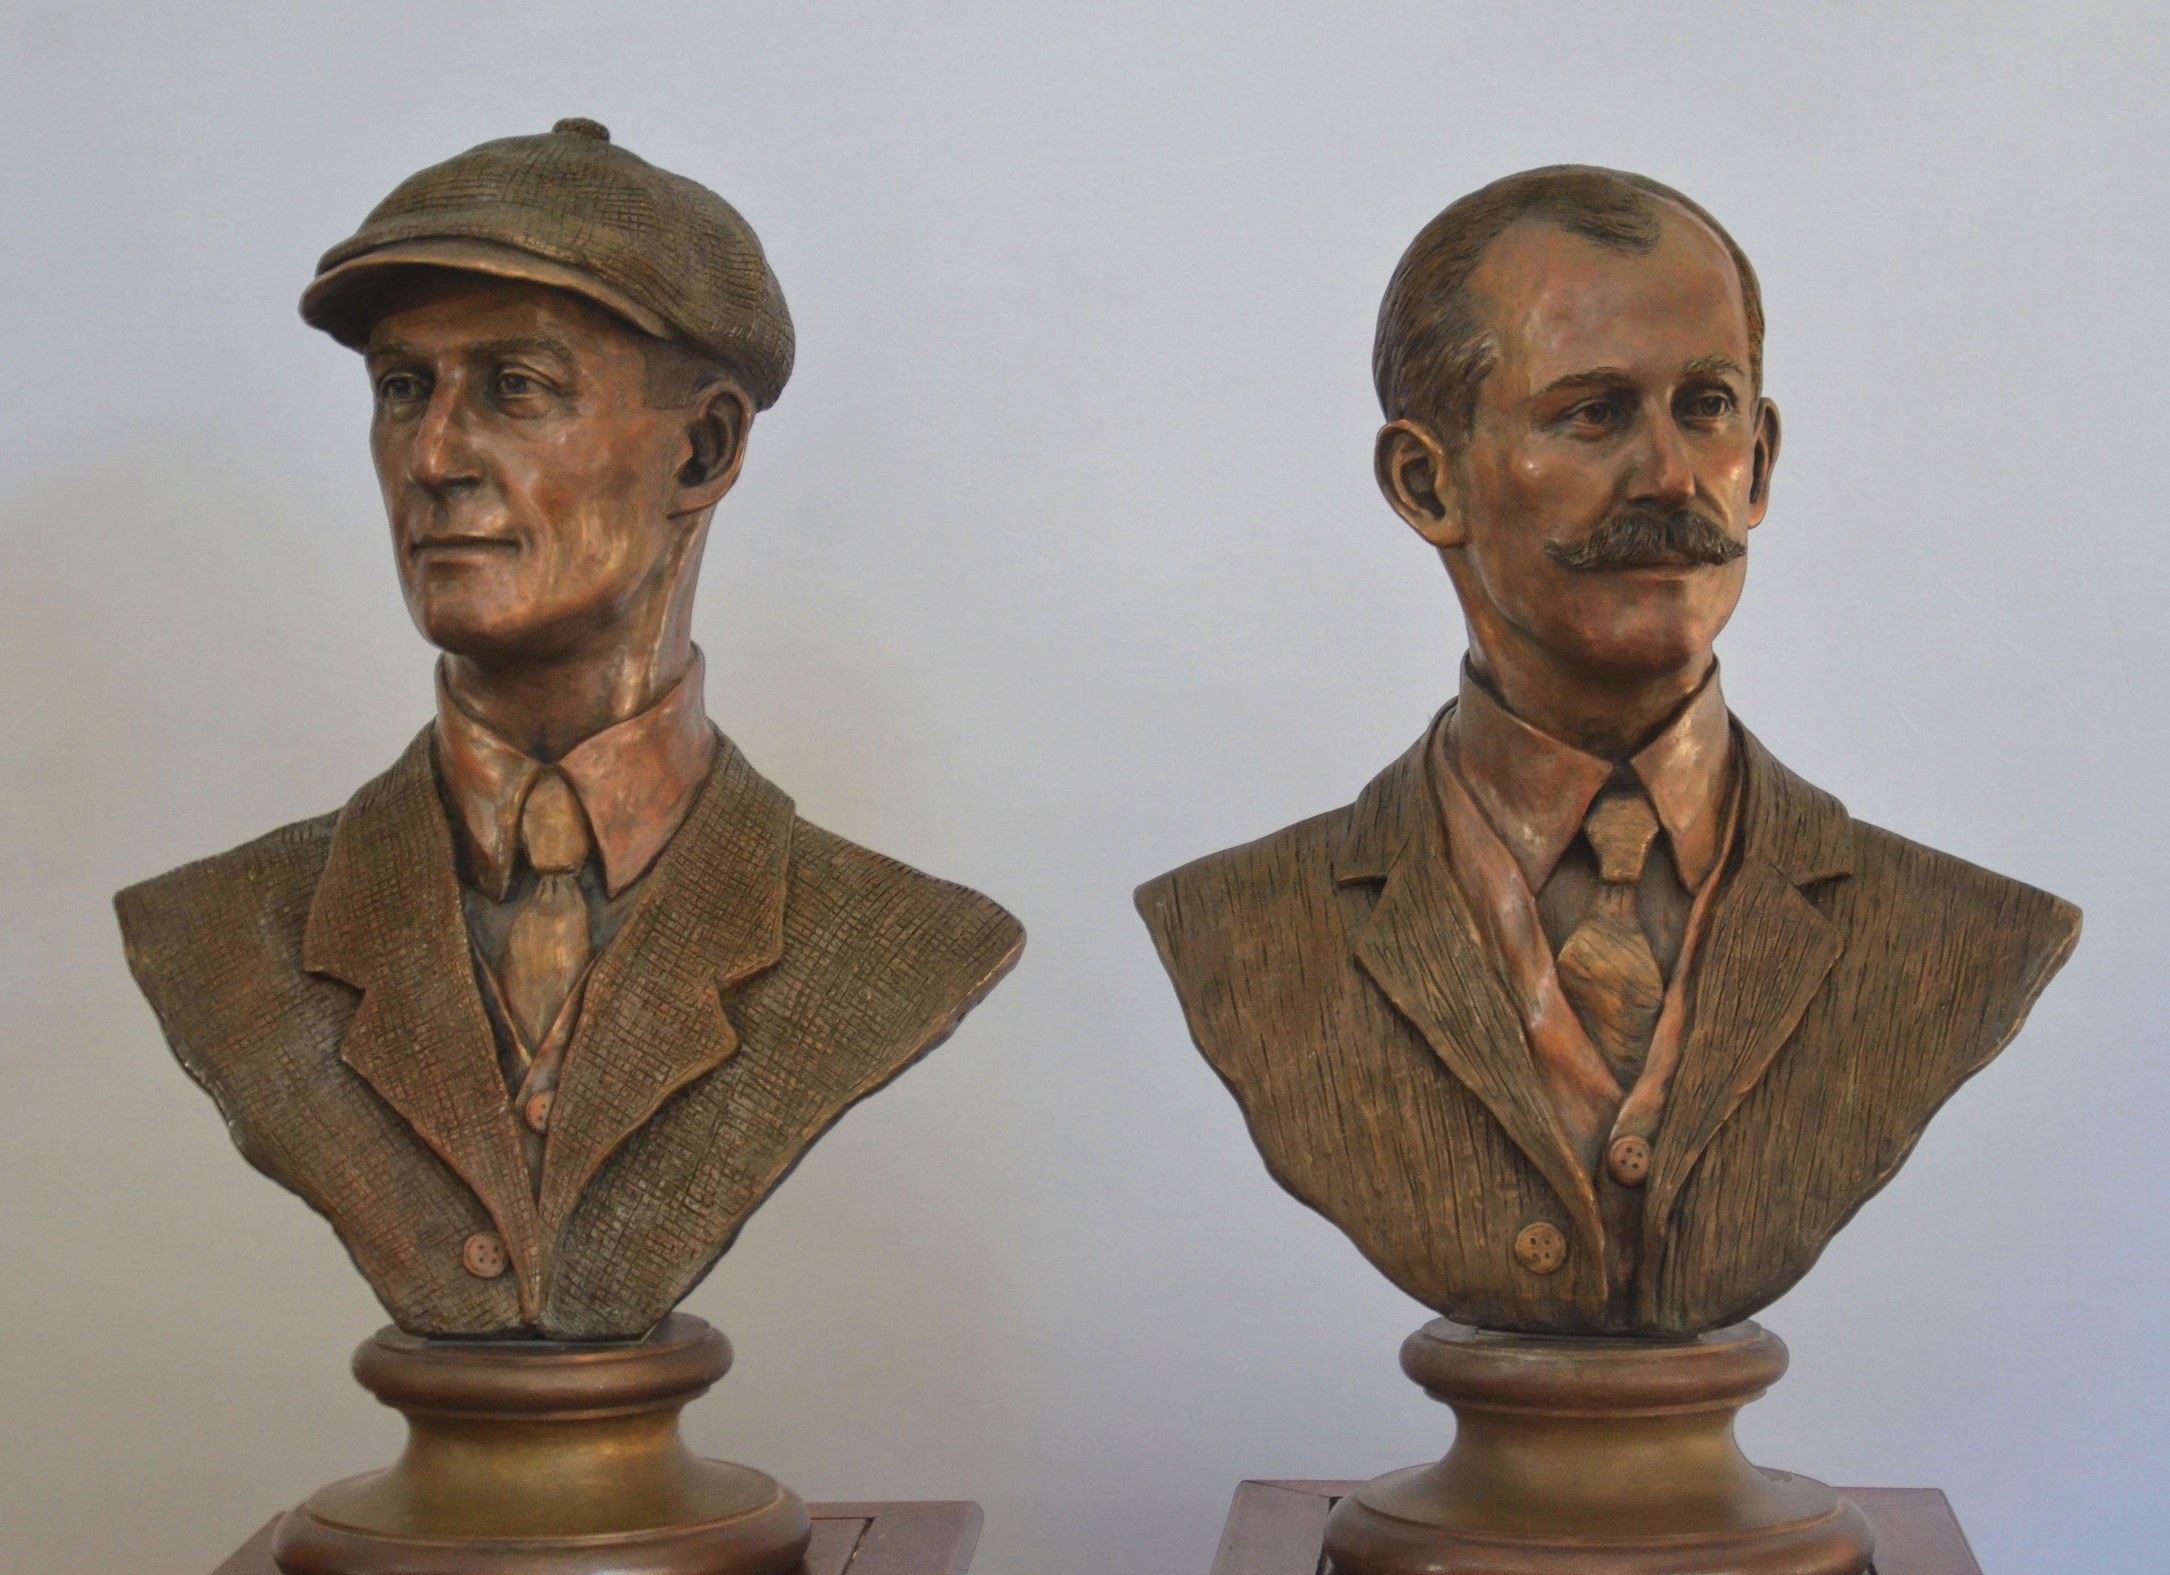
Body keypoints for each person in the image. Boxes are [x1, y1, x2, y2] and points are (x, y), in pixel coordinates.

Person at [117, 120, 1023, 1340]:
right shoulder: (215, 931)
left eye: (517, 389)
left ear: (700, 448)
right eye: (401, 389)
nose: (435, 456)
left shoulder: (897, 939)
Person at [1137, 166, 2077, 1336]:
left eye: (1708, 405)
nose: (1675, 477)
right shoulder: (1246, 929)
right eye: (1591, 413)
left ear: (1763, 461)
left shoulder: (1957, 933)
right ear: (1426, 482)